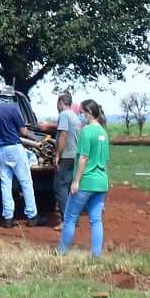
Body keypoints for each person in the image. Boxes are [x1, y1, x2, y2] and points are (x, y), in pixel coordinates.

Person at [0, 92, 51, 227]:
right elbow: (23, 132)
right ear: (10, 98)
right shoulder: (13, 109)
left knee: (5, 184)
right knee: (26, 182)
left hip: (0, 150)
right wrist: (34, 136)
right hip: (15, 149)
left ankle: (8, 218)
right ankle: (32, 217)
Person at [59, 98, 110, 256]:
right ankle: (96, 255)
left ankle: (61, 252)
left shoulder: (86, 132)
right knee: (96, 220)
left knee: (70, 218)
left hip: (86, 181)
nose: (79, 116)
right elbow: (105, 160)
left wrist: (76, 181)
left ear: (89, 113)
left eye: (81, 113)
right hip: (101, 182)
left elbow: (83, 158)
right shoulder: (103, 132)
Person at [48, 91, 81, 225]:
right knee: (69, 188)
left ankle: (67, 220)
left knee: (59, 187)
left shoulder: (64, 115)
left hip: (66, 155)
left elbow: (63, 135)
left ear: (61, 103)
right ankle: (74, 218)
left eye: (57, 103)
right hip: (75, 155)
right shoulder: (75, 116)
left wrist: (57, 155)